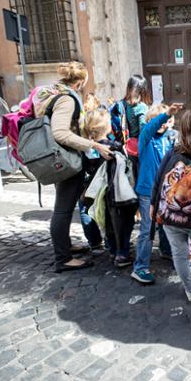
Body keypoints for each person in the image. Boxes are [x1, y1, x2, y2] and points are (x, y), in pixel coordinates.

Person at [46, 62, 113, 272]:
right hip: (66, 162)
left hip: (62, 160)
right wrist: (93, 144)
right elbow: (60, 133)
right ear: (80, 82)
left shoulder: (57, 92)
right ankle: (63, 258)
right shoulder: (66, 99)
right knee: (63, 210)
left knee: (63, 208)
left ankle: (65, 247)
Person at [150, 109, 191, 301]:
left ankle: (190, 291)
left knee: (180, 255)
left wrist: (153, 204)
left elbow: (159, 179)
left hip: (170, 217)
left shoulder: (173, 152)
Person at [82, 107, 137, 267]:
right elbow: (126, 168)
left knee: (106, 222)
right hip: (116, 192)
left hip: (98, 194)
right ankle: (122, 254)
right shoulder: (114, 146)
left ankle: (113, 249)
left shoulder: (87, 149)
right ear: (107, 127)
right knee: (123, 223)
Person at [131, 103, 180, 284]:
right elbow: (151, 127)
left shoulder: (169, 139)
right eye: (157, 119)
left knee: (166, 223)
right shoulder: (146, 137)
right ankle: (140, 267)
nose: (161, 123)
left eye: (165, 120)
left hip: (165, 191)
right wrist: (166, 114)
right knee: (147, 229)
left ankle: (166, 251)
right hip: (147, 192)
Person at [110, 75, 152, 181]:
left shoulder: (122, 103)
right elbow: (144, 130)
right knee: (139, 176)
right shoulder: (142, 107)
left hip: (125, 145)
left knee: (131, 175)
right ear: (143, 91)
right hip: (138, 148)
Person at [78, 94, 105, 255]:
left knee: (84, 209)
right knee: (101, 210)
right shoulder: (103, 144)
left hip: (85, 182)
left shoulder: (81, 141)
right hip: (97, 182)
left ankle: (94, 242)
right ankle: (108, 243)